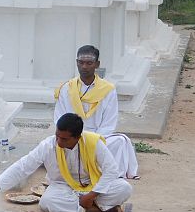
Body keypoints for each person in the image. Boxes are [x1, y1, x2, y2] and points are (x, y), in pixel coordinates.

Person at [0, 113, 133, 212]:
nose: (58, 142)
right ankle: (96, 209)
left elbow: (111, 170)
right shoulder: (48, 145)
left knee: (124, 188)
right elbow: (24, 166)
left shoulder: (93, 142)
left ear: (77, 137)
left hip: (91, 185)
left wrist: (91, 195)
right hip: (62, 186)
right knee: (47, 203)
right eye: (57, 136)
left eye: (64, 139)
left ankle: (84, 206)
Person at [54, 45, 140, 179]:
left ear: (97, 64)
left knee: (120, 142)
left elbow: (109, 122)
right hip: (71, 137)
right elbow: (59, 118)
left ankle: (111, 176)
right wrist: (75, 137)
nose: (84, 67)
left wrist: (92, 140)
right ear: (77, 63)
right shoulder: (66, 88)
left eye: (89, 63)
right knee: (52, 143)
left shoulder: (108, 89)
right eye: (81, 62)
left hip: (99, 137)